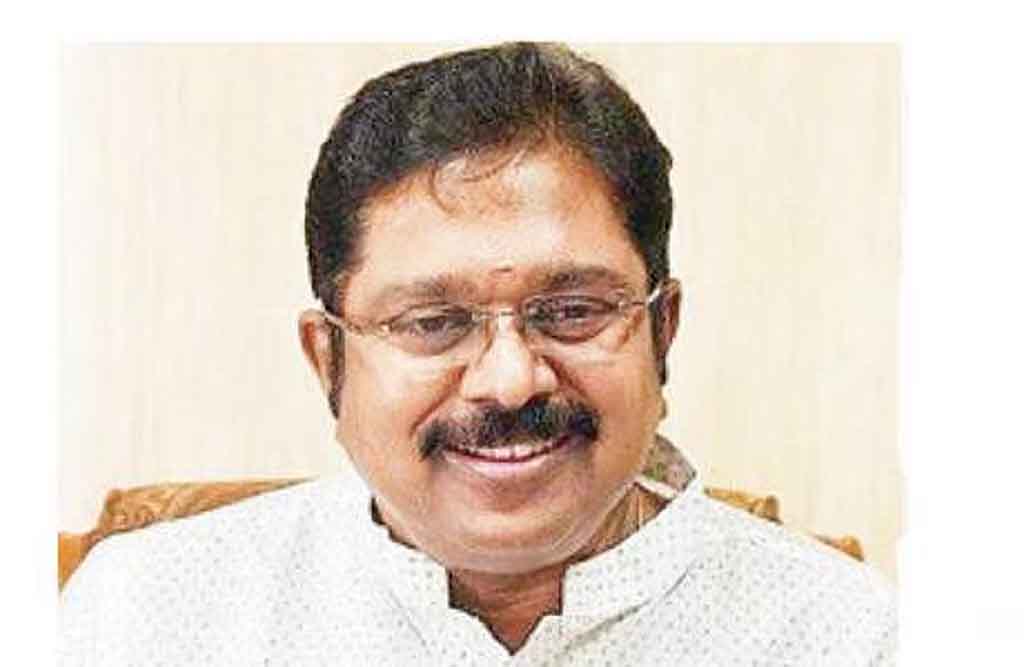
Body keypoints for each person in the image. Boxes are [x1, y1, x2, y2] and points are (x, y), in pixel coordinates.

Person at [60, 42, 896, 664]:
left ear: (662, 332)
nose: (509, 380)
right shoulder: (142, 619)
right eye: (432, 322)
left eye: (571, 311)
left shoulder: (844, 635)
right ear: (328, 360)